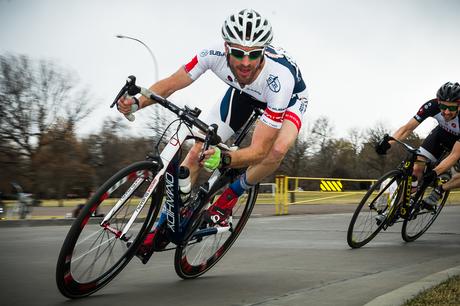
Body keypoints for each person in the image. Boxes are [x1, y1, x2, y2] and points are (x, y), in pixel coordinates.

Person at [117, 9, 308, 261]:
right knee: (197, 147)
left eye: (254, 55)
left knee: (275, 152)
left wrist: (225, 159)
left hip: (288, 100)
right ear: (226, 48)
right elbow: (173, 82)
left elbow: (259, 150)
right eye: (238, 53)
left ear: (263, 51)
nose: (246, 63)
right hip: (243, 94)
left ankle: (231, 194)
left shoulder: (279, 79)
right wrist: (138, 102)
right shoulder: (211, 53)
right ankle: (161, 225)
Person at [375, 81, 460, 210]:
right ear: (438, 102)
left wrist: (435, 173)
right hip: (441, 134)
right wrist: (389, 143)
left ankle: (440, 189)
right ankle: (402, 203)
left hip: (457, 144)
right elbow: (407, 128)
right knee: (417, 165)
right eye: (443, 107)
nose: (447, 112)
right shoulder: (432, 105)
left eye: (452, 108)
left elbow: (454, 155)